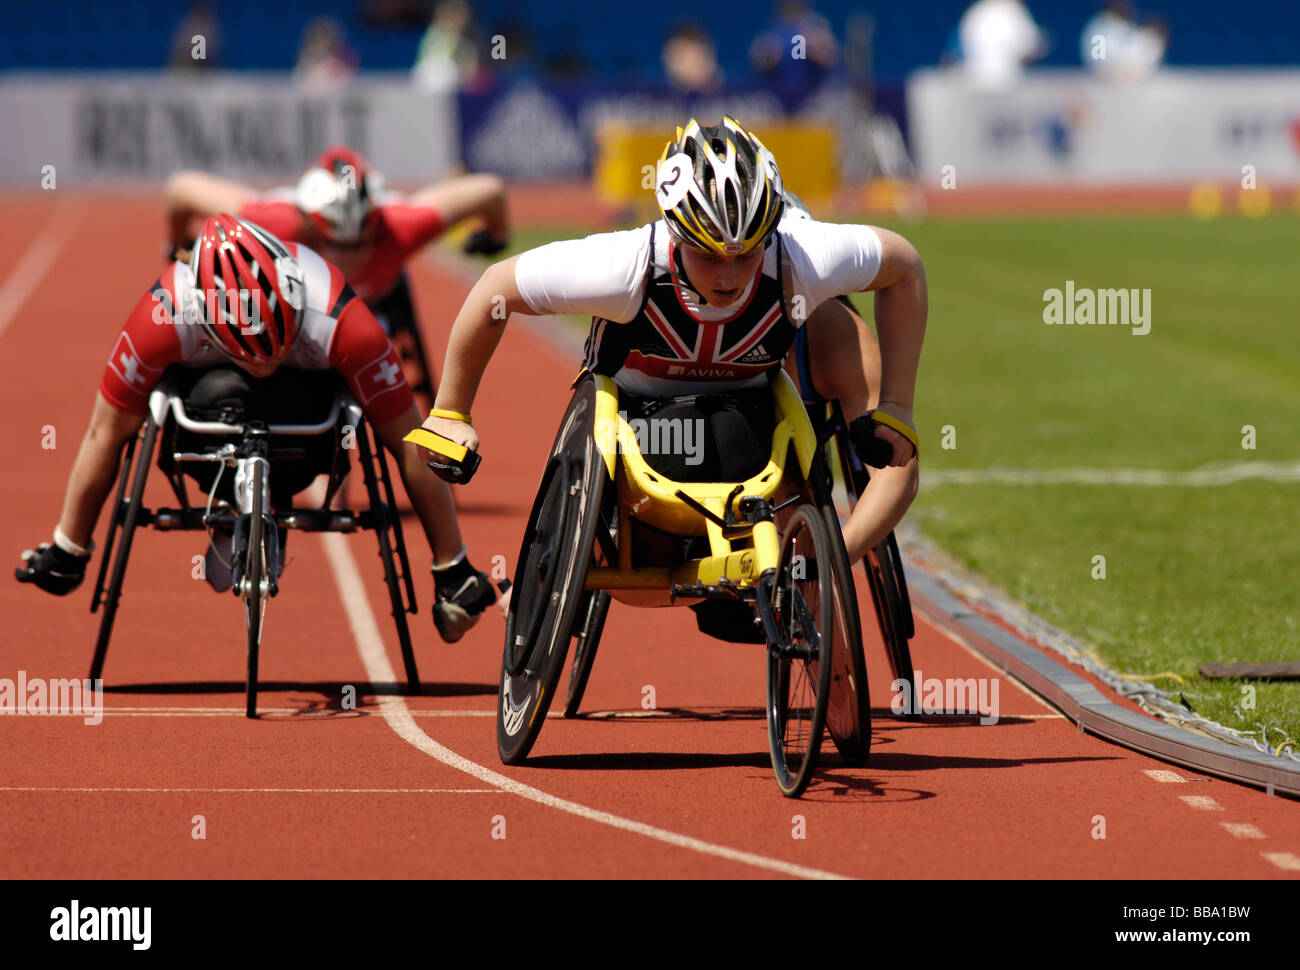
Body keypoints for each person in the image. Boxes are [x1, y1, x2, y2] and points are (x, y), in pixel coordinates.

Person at [414, 116, 924, 600]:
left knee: (792, 508)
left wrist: (897, 407)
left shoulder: (802, 256)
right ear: (675, 232)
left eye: (746, 255)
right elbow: (495, 288)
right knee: (659, 529)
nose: (728, 277)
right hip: (638, 422)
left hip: (747, 423)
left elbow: (904, 265)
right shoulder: (624, 266)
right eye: (707, 256)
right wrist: (450, 413)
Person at [15, 215, 498, 643]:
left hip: (310, 437)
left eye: (279, 345)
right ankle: (228, 502)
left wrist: (451, 565)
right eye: (248, 353)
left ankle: (263, 499)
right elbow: (106, 432)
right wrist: (69, 548)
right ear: (201, 313)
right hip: (206, 430)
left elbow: (409, 438)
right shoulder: (162, 315)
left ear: (294, 299)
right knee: (145, 412)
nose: (264, 364)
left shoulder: (343, 317)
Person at [164, 145, 510, 409]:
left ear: (375, 226)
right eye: (333, 244)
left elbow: (490, 191)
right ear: (310, 226)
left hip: (378, 301)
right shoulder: (273, 220)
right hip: (300, 302)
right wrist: (177, 242)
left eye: (360, 244)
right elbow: (181, 189)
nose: (347, 257)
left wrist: (497, 238)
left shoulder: (402, 225)